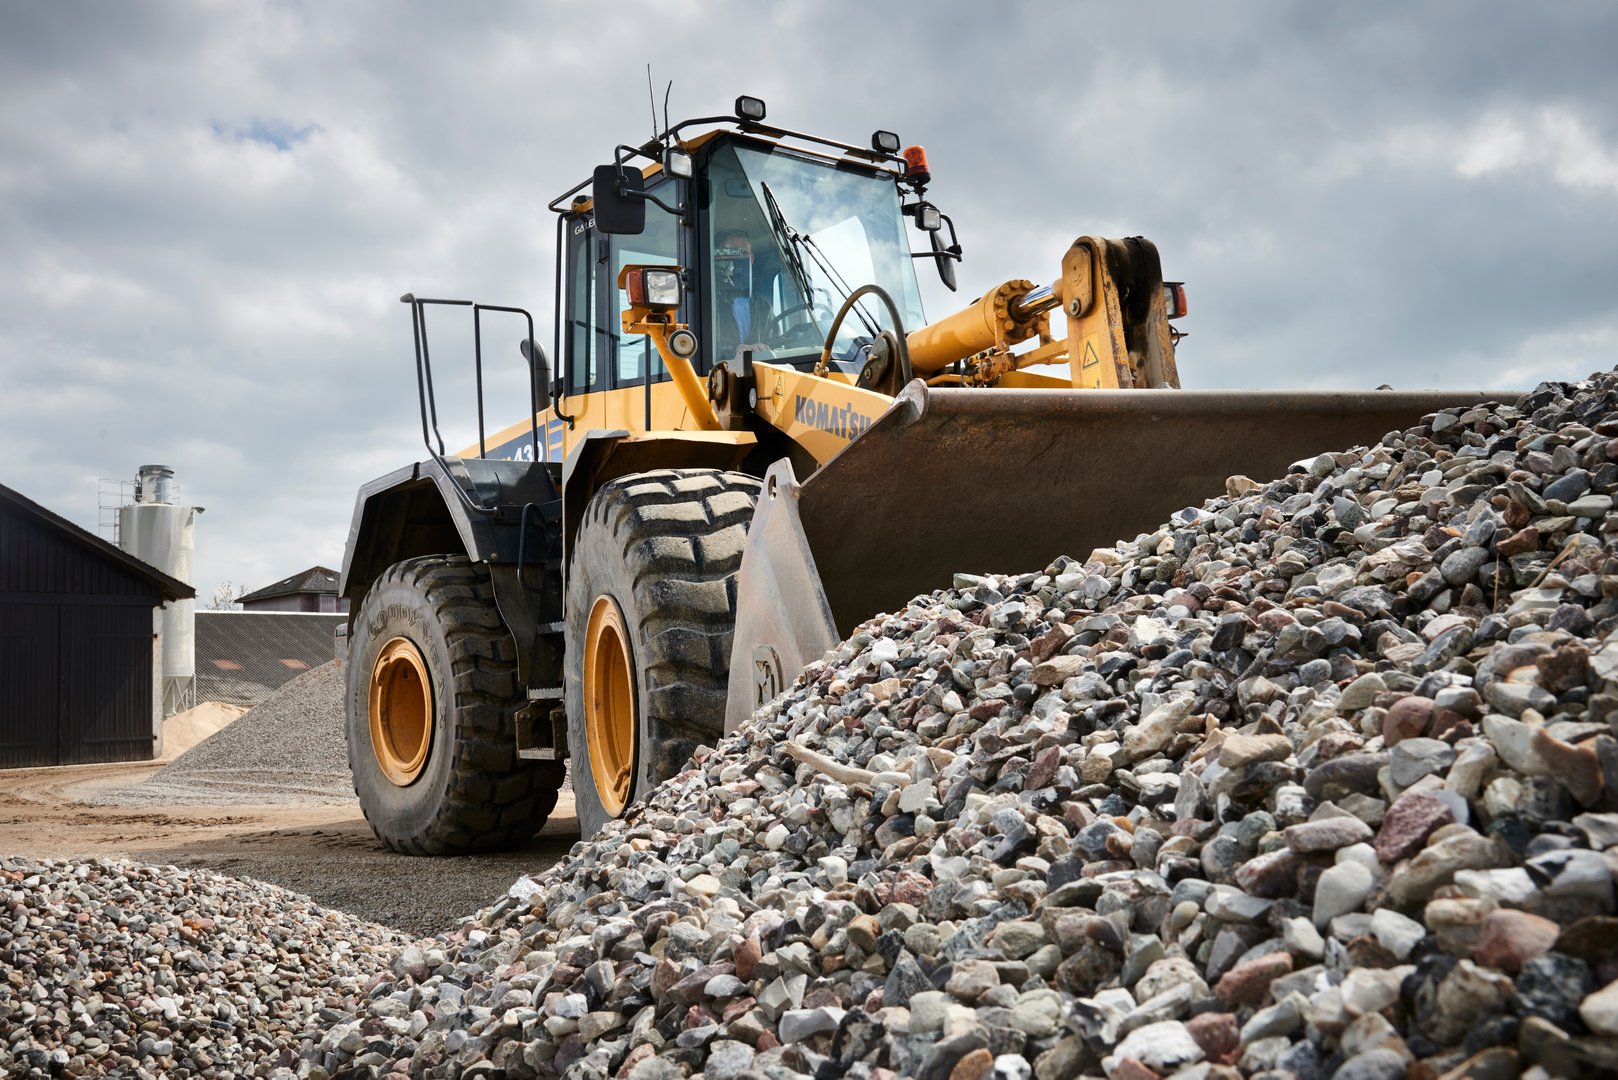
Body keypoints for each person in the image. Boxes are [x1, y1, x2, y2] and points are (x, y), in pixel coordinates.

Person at [714, 228, 773, 354]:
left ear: (751, 259)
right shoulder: (709, 304)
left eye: (744, 253)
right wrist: (735, 350)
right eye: (733, 252)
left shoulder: (765, 307)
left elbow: (775, 343)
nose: (739, 258)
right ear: (720, 258)